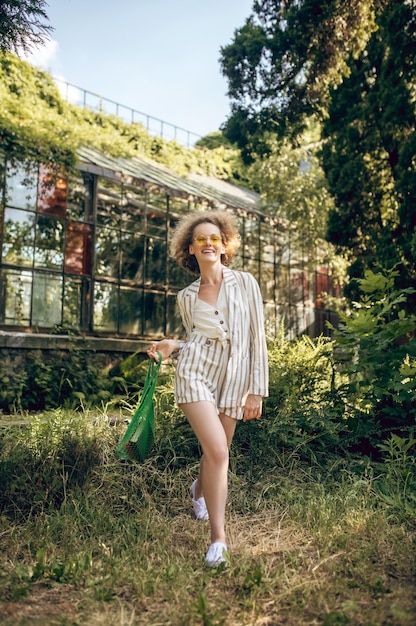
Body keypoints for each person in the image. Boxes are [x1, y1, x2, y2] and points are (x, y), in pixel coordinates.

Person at [147, 210, 268, 567]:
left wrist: (256, 390)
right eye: (201, 239)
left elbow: (256, 339)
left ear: (224, 245)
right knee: (217, 452)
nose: (208, 244)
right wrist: (174, 345)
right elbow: (198, 342)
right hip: (195, 374)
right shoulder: (186, 296)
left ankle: (198, 491)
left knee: (218, 451)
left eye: (214, 238)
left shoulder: (246, 283)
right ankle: (219, 540)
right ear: (190, 248)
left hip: (235, 378)